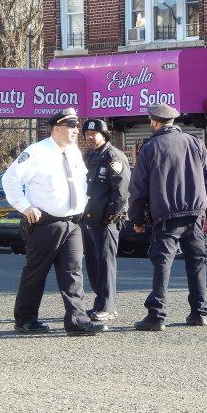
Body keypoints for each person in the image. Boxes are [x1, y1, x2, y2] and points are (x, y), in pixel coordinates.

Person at [1, 107, 106, 336]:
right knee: (36, 273)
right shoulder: (36, 152)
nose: (76, 131)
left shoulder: (74, 152)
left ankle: (77, 321)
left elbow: (80, 184)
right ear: (57, 128)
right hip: (45, 223)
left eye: (76, 126)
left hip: (72, 223)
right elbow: (10, 180)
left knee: (73, 272)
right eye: (71, 127)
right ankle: (26, 319)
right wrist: (25, 206)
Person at [128, 104, 207, 331]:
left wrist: (137, 219)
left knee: (162, 264)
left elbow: (138, 188)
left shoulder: (150, 147)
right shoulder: (195, 143)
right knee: (197, 263)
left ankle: (156, 315)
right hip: (194, 216)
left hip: (166, 216)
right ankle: (199, 313)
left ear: (154, 122)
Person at [81, 118, 130, 322]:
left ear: (104, 135)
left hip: (106, 221)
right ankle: (100, 303)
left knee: (106, 264)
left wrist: (109, 217)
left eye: (94, 134)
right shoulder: (88, 156)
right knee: (93, 265)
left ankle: (108, 307)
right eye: (87, 135)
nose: (90, 138)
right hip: (88, 220)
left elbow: (121, 193)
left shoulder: (113, 157)